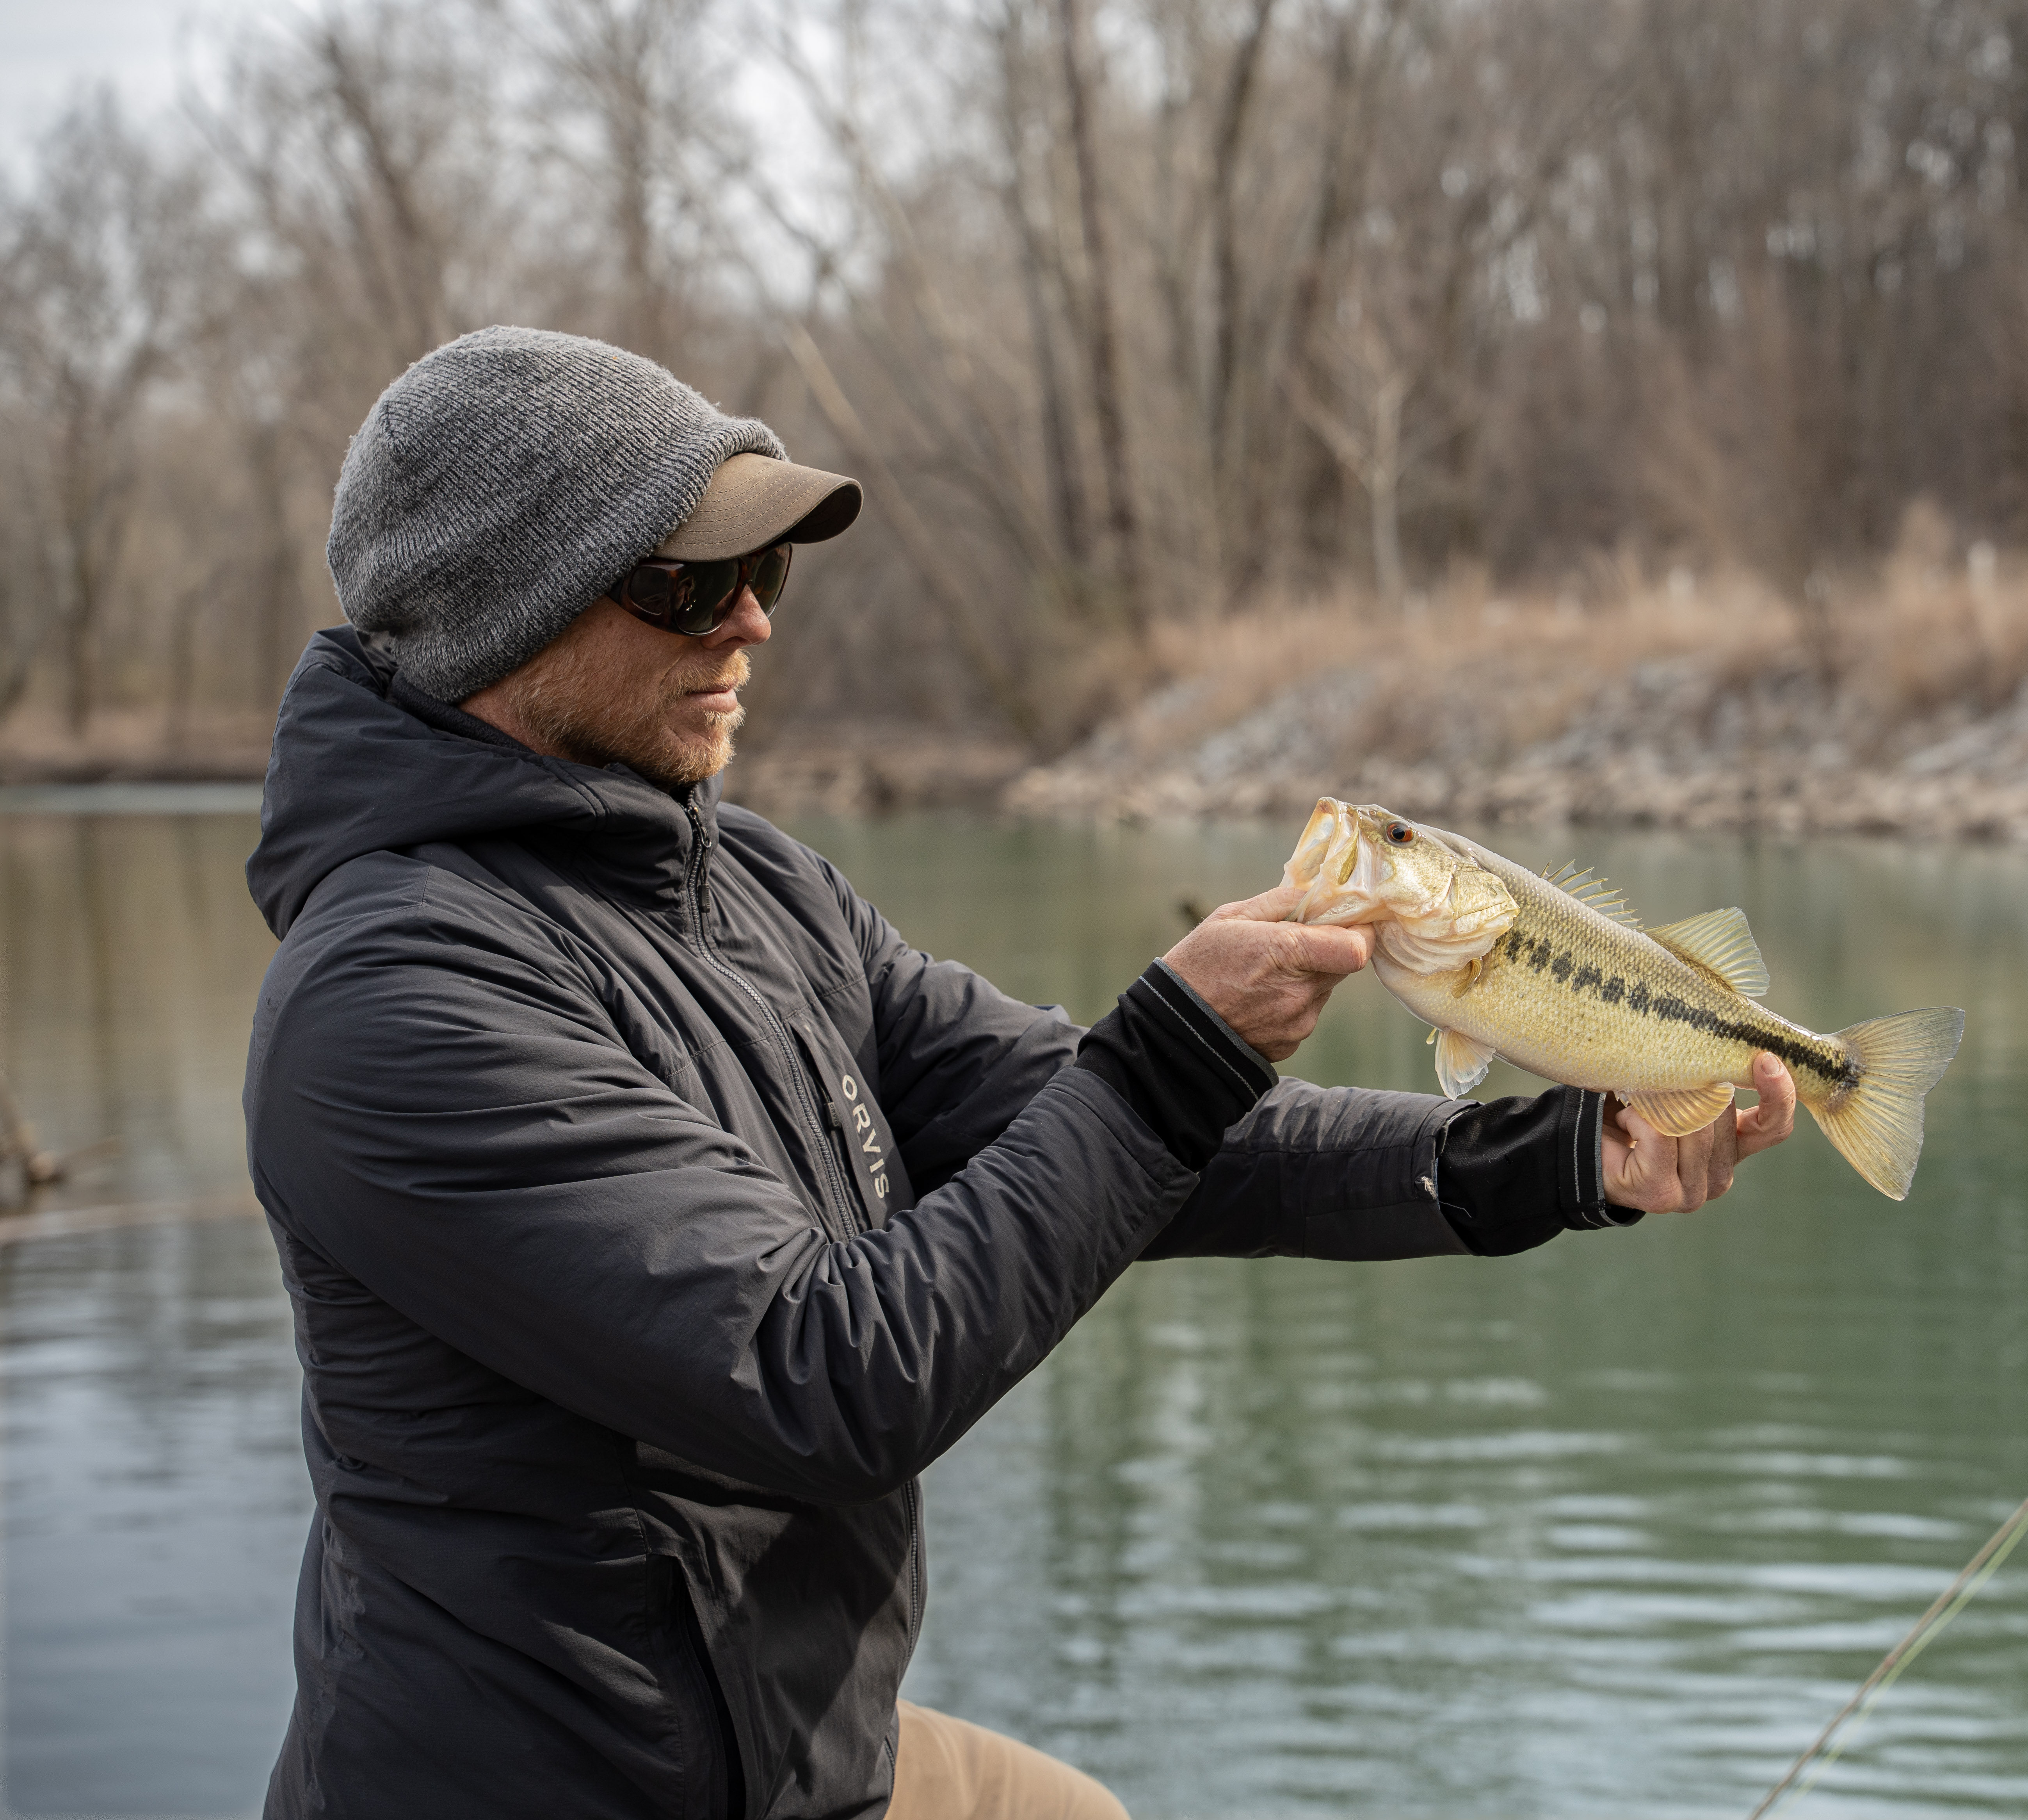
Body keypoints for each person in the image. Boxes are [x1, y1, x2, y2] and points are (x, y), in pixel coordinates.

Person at [242, 326, 1802, 1820]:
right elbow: (823, 1378)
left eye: (762, 568)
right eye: (686, 583)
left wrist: (1554, 1158)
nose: (754, 621)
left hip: (801, 1758)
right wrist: (1176, 1052)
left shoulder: (758, 888)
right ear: (506, 619)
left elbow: (1113, 1121)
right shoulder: (392, 1002)